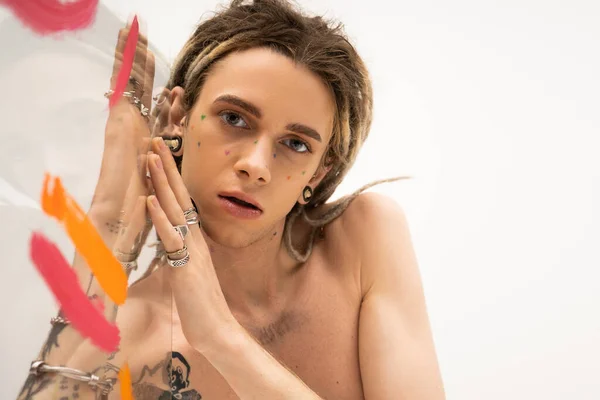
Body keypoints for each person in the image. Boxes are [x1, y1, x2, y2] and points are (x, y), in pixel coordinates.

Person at [17, 0, 445, 399]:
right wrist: (111, 228)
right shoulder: (131, 335)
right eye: (234, 118)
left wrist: (220, 336)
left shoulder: (360, 239)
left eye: (295, 144)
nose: (256, 165)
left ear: (320, 171)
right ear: (179, 118)